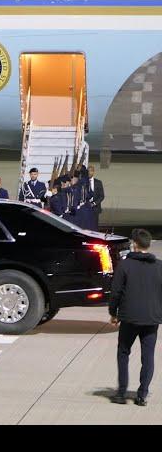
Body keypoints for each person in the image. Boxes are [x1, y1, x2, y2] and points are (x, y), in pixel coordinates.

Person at [109, 229, 162, 406]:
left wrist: (113, 313)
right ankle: (142, 395)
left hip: (129, 318)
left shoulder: (125, 265)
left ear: (135, 245)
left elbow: (116, 292)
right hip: (152, 319)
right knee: (148, 357)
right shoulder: (159, 266)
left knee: (123, 352)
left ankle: (121, 393)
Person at [88, 165, 104, 230]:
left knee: (94, 227)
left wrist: (94, 203)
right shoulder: (83, 182)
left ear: (93, 172)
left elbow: (102, 196)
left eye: (91, 171)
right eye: (88, 171)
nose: (89, 172)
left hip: (95, 208)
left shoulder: (98, 182)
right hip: (85, 208)